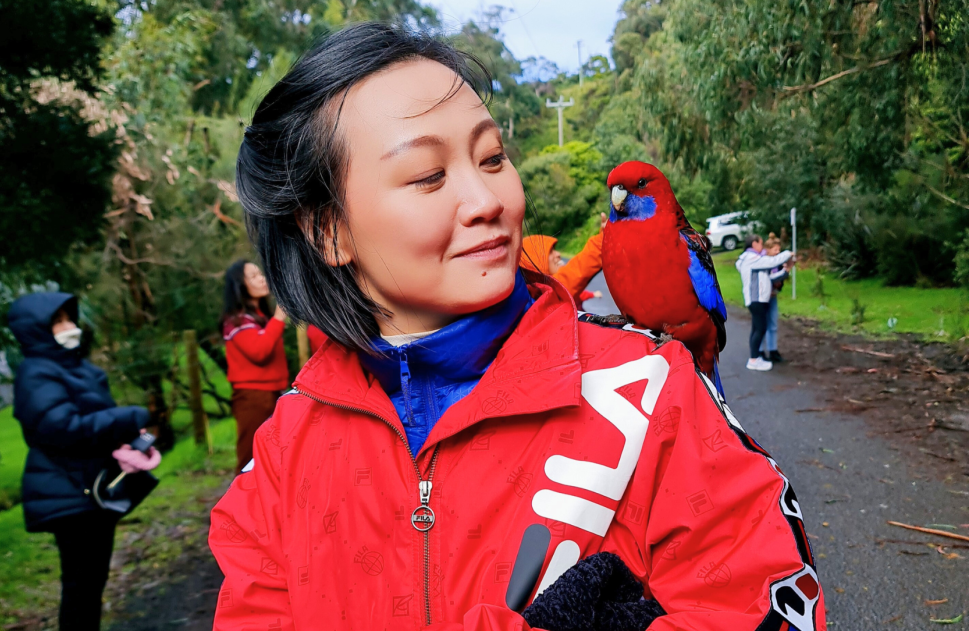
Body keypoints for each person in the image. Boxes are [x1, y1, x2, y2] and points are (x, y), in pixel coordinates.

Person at [210, 23, 826, 631]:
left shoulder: (653, 393)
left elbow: (762, 594)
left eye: (493, 158)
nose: (489, 200)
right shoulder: (285, 448)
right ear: (328, 231)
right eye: (428, 175)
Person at [8, 292, 161, 631]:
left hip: (88, 489)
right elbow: (61, 428)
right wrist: (127, 417)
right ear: (36, 329)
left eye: (69, 318)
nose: (69, 327)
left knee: (91, 584)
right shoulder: (37, 373)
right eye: (57, 321)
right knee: (81, 588)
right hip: (69, 492)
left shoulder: (70, 367)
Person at [221, 259, 291, 472]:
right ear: (240, 286)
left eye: (260, 274)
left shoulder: (260, 317)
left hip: (273, 393)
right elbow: (259, 352)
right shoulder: (236, 322)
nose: (262, 279)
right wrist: (278, 318)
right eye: (253, 276)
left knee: (274, 456)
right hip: (252, 397)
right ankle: (240, 493)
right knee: (250, 458)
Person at [735, 234, 794, 371]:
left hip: (758, 298)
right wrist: (788, 253)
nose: (762, 247)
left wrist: (786, 270)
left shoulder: (751, 259)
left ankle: (755, 358)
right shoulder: (751, 258)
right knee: (760, 328)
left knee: (757, 328)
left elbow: (769, 277)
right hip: (756, 298)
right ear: (754, 244)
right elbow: (772, 262)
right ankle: (754, 360)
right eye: (760, 243)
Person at [519, 217, 605, 309]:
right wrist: (603, 239)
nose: (558, 254)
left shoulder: (532, 298)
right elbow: (578, 270)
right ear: (534, 260)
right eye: (550, 251)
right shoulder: (548, 293)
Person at [759, 234, 790, 362]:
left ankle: (773, 350)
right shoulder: (762, 262)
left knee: (773, 323)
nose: (777, 252)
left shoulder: (778, 263)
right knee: (761, 324)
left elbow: (779, 280)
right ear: (768, 249)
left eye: (779, 250)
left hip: (773, 296)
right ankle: (760, 351)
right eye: (775, 250)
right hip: (761, 297)